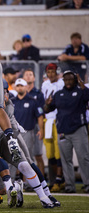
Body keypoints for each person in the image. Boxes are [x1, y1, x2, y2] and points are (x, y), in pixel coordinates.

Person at [44, 70, 89, 193]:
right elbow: (47, 109)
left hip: (79, 129)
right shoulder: (58, 94)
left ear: (75, 80)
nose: (68, 82)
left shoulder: (81, 91)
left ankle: (87, 184)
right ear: (63, 81)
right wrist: (47, 104)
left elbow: (88, 96)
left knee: (83, 158)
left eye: (70, 79)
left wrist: (81, 83)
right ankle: (69, 186)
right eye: (66, 79)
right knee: (65, 160)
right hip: (62, 131)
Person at [11, 78, 44, 189]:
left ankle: (30, 183)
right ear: (15, 87)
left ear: (26, 87)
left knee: (27, 158)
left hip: (28, 132)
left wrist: (41, 129)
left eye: (22, 85)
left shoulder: (32, 101)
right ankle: (10, 182)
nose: (20, 87)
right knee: (11, 157)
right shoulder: (11, 101)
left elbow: (39, 116)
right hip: (13, 133)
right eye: (18, 85)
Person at [41, 63, 65, 191]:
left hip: (58, 119)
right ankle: (52, 180)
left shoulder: (62, 83)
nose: (50, 74)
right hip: (47, 120)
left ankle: (60, 179)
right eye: (48, 72)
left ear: (57, 72)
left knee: (58, 151)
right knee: (50, 152)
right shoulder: (45, 84)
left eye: (52, 72)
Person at [23, 69, 45, 175]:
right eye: (26, 74)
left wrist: (42, 129)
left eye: (30, 74)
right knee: (24, 156)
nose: (28, 76)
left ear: (34, 78)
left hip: (36, 125)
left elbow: (41, 112)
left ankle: (41, 179)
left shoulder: (38, 94)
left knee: (38, 154)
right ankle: (27, 181)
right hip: (24, 126)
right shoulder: (20, 94)